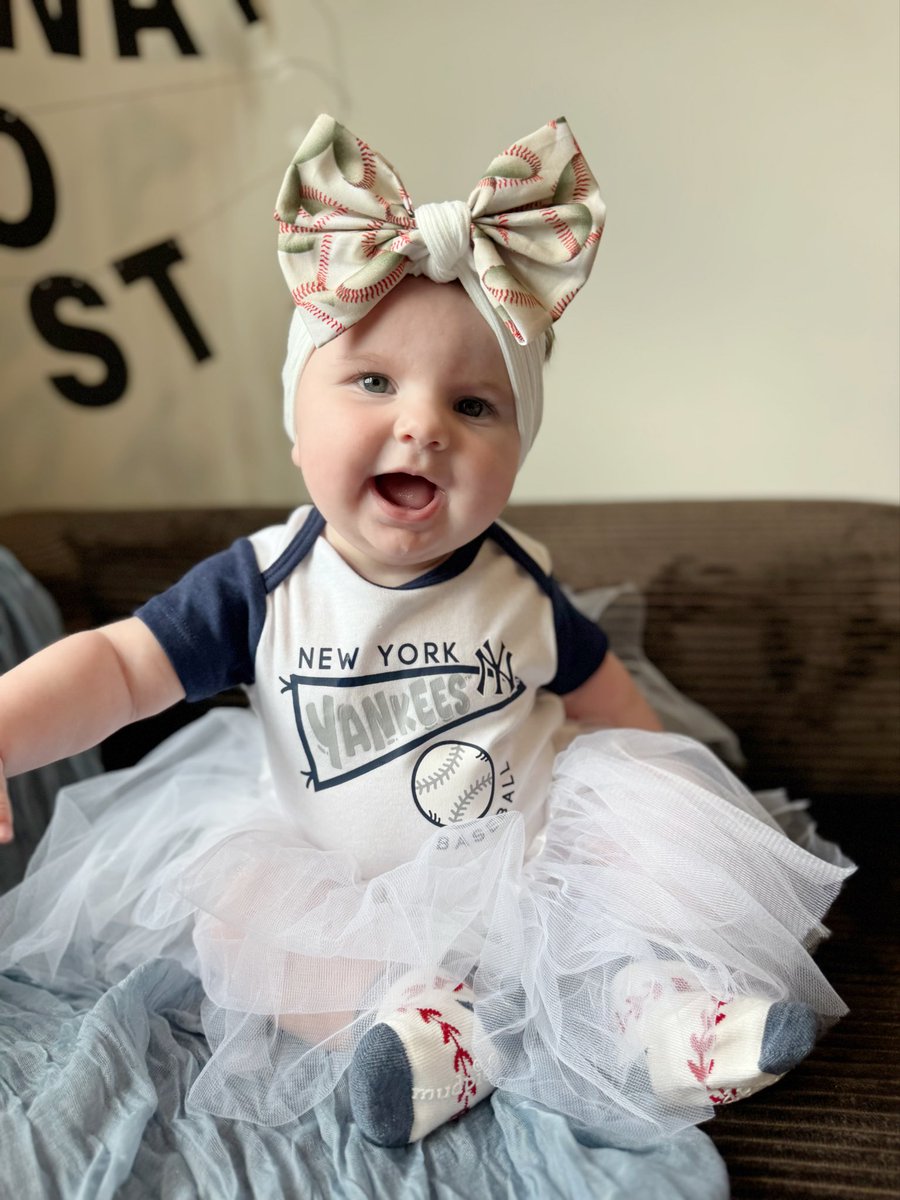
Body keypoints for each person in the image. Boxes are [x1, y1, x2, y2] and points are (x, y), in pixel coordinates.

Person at [0, 116, 853, 1149]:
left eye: (476, 404)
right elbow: (118, 666)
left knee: (640, 820)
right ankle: (416, 1031)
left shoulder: (517, 583)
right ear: (295, 418)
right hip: (339, 881)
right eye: (371, 381)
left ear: (519, 450)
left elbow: (611, 707)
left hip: (528, 871)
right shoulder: (264, 584)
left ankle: (657, 1012)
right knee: (234, 903)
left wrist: (671, 803)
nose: (425, 423)